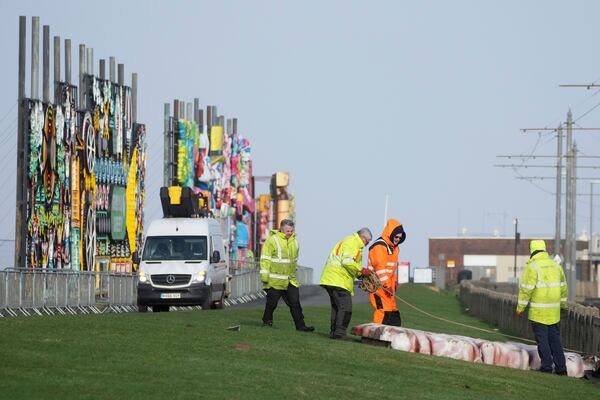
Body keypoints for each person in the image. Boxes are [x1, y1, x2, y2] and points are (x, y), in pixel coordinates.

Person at [516, 239, 568, 375]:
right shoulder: (556, 266)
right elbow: (563, 289)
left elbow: (525, 290)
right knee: (555, 340)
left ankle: (546, 367)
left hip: (539, 313)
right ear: (544, 250)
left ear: (531, 251)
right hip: (554, 313)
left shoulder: (532, 267)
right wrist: (563, 306)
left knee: (542, 341)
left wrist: (520, 309)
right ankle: (561, 368)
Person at [260, 219, 314, 332]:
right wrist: (264, 277)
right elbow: (265, 259)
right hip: (275, 280)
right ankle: (267, 320)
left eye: (291, 230)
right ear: (281, 229)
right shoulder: (272, 241)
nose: (289, 233)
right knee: (272, 303)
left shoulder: (295, 243)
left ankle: (301, 326)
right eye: (287, 231)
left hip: (290, 280)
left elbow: (293, 262)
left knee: (295, 303)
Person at [320, 227, 372, 339]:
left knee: (337, 308)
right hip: (339, 280)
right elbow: (347, 262)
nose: (366, 245)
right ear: (363, 238)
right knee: (345, 308)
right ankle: (340, 333)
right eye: (367, 242)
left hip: (330, 278)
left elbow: (349, 263)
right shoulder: (354, 243)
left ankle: (334, 332)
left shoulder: (348, 241)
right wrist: (362, 271)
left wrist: (360, 275)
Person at [367, 219, 406, 326]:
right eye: (396, 237)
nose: (398, 239)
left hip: (388, 287)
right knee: (383, 311)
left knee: (393, 311)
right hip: (376, 285)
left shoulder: (395, 248)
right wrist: (387, 285)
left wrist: (394, 284)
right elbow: (380, 269)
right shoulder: (379, 246)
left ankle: (393, 337)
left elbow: (392, 269)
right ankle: (374, 337)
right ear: (390, 234)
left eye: (400, 237)